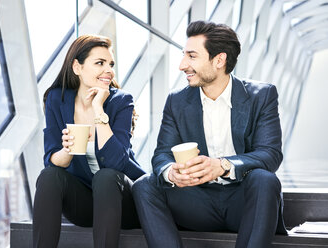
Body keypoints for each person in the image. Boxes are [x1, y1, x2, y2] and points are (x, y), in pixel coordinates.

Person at [132, 21, 287, 248]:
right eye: (184, 55)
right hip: (197, 201)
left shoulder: (261, 96)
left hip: (242, 204)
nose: (182, 65)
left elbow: (270, 154)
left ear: (219, 60)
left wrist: (223, 165)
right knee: (145, 184)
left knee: (265, 179)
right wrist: (171, 172)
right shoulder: (177, 101)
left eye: (192, 56)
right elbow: (162, 155)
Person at [33, 34, 145, 248]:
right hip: (85, 205)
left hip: (124, 204)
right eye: (99, 63)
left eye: (110, 64)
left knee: (105, 176)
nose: (109, 70)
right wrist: (67, 149)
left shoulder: (121, 101)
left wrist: (98, 110)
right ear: (77, 67)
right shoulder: (57, 99)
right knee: (49, 176)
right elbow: (53, 159)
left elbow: (118, 163)